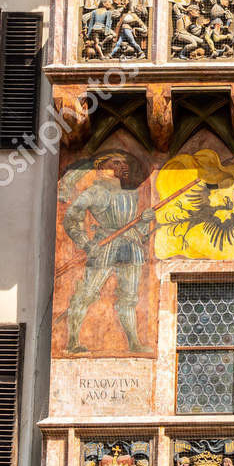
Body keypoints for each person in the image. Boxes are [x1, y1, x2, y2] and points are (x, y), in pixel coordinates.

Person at [62, 151, 156, 353]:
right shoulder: (95, 192)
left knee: (129, 298)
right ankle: (72, 342)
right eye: (116, 162)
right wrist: (86, 244)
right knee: (86, 294)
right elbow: (70, 219)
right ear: (101, 168)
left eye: (124, 162)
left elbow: (137, 231)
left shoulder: (132, 192)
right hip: (104, 248)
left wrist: (144, 221)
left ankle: (133, 343)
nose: (123, 166)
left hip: (131, 247)